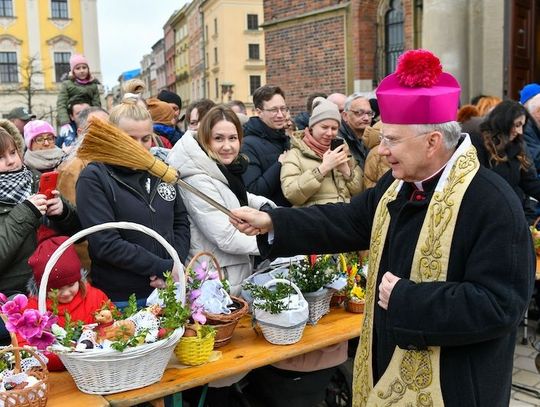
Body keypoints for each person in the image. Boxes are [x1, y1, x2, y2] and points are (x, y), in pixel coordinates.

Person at [230, 49, 534, 406]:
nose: (382, 150)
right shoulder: (398, 185)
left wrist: (406, 298)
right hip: (386, 365)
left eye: (391, 139)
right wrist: (273, 221)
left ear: (432, 142)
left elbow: (500, 306)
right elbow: (346, 219)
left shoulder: (492, 202)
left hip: (456, 385)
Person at [76, 96, 191, 308]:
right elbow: (106, 243)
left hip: (168, 289)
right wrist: (161, 267)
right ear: (113, 136)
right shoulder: (94, 177)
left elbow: (181, 222)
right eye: (130, 138)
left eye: (145, 139)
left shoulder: (160, 170)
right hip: (124, 298)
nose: (139, 146)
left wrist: (174, 266)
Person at [167, 105, 275, 295]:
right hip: (216, 276)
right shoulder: (196, 179)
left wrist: (262, 205)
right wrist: (277, 241)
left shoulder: (217, 168)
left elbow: (231, 197)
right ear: (205, 139)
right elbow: (226, 236)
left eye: (232, 138)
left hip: (231, 270)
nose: (227, 146)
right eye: (219, 138)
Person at [0, 122, 79, 344]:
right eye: (1, 157)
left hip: (53, 293)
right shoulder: (27, 202)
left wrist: (62, 213)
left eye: (13, 152)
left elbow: (77, 235)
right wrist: (26, 212)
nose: (11, 161)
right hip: (11, 303)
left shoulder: (34, 181)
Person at [23, 231, 110, 371]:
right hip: (56, 375)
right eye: (55, 289)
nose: (65, 293)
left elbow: (112, 326)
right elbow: (26, 347)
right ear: (43, 288)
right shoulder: (33, 309)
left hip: (99, 368)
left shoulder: (96, 297)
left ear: (79, 279)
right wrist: (68, 357)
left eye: (71, 285)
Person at [281, 97, 363, 206]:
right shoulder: (296, 154)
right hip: (314, 218)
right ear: (312, 127)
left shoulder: (343, 151)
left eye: (334, 128)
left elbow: (360, 192)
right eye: (324, 127)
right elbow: (292, 195)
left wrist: (347, 173)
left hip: (346, 216)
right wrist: (322, 169)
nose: (329, 133)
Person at [56, 106, 110, 271]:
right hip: (94, 266)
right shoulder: (72, 169)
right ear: (80, 132)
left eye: (110, 128)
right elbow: (75, 227)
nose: (105, 134)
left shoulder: (116, 161)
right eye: (97, 129)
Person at [471, 100, 540, 224]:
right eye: (517, 125)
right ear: (504, 122)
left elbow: (530, 182)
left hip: (513, 214)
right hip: (487, 216)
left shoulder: (516, 146)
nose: (520, 131)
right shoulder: (477, 143)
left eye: (522, 126)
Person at [241, 85, 291, 207]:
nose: (280, 115)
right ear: (259, 112)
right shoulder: (247, 145)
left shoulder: (285, 139)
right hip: (270, 217)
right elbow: (254, 191)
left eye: (283, 109)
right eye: (274, 110)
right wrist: (279, 164)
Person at [56, 54, 101, 127]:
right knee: (68, 137)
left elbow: (97, 104)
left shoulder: (93, 85)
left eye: (84, 67)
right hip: (72, 120)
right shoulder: (67, 84)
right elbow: (61, 103)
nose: (82, 70)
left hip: (89, 118)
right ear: (73, 71)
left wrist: (97, 118)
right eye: (78, 68)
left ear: (88, 69)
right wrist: (65, 121)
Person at [339, 93, 371, 169]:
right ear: (345, 116)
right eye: (360, 113)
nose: (366, 118)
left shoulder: (373, 138)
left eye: (369, 113)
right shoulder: (338, 140)